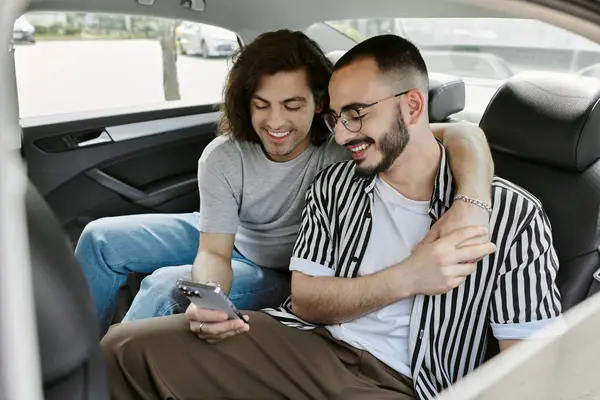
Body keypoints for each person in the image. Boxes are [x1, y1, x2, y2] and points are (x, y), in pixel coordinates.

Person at [80, 29, 493, 337]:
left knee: (165, 287)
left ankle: (102, 378)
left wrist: (471, 202)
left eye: (292, 106)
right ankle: (70, 356)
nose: (275, 123)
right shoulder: (225, 156)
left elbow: (463, 134)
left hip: (283, 271)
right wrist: (210, 295)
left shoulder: (345, 143)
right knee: (100, 238)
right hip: (231, 239)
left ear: (319, 105)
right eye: (261, 106)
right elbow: (214, 250)